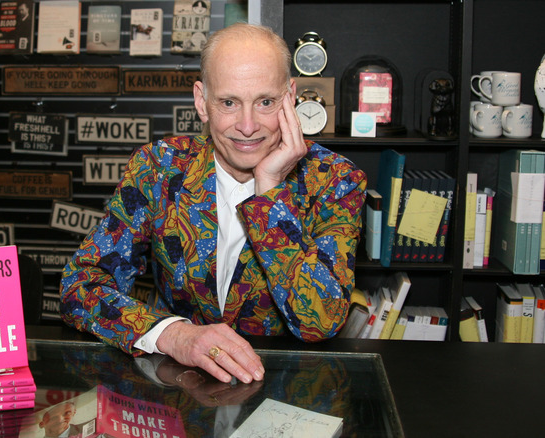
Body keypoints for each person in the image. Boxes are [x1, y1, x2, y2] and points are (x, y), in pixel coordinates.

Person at [61, 23, 366, 387]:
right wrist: (174, 335)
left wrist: (269, 193)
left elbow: (321, 320)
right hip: (181, 391)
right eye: (229, 103)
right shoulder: (159, 168)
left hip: (284, 393)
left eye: (265, 102)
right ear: (201, 102)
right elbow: (79, 286)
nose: (248, 126)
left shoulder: (335, 181)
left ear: (290, 97)